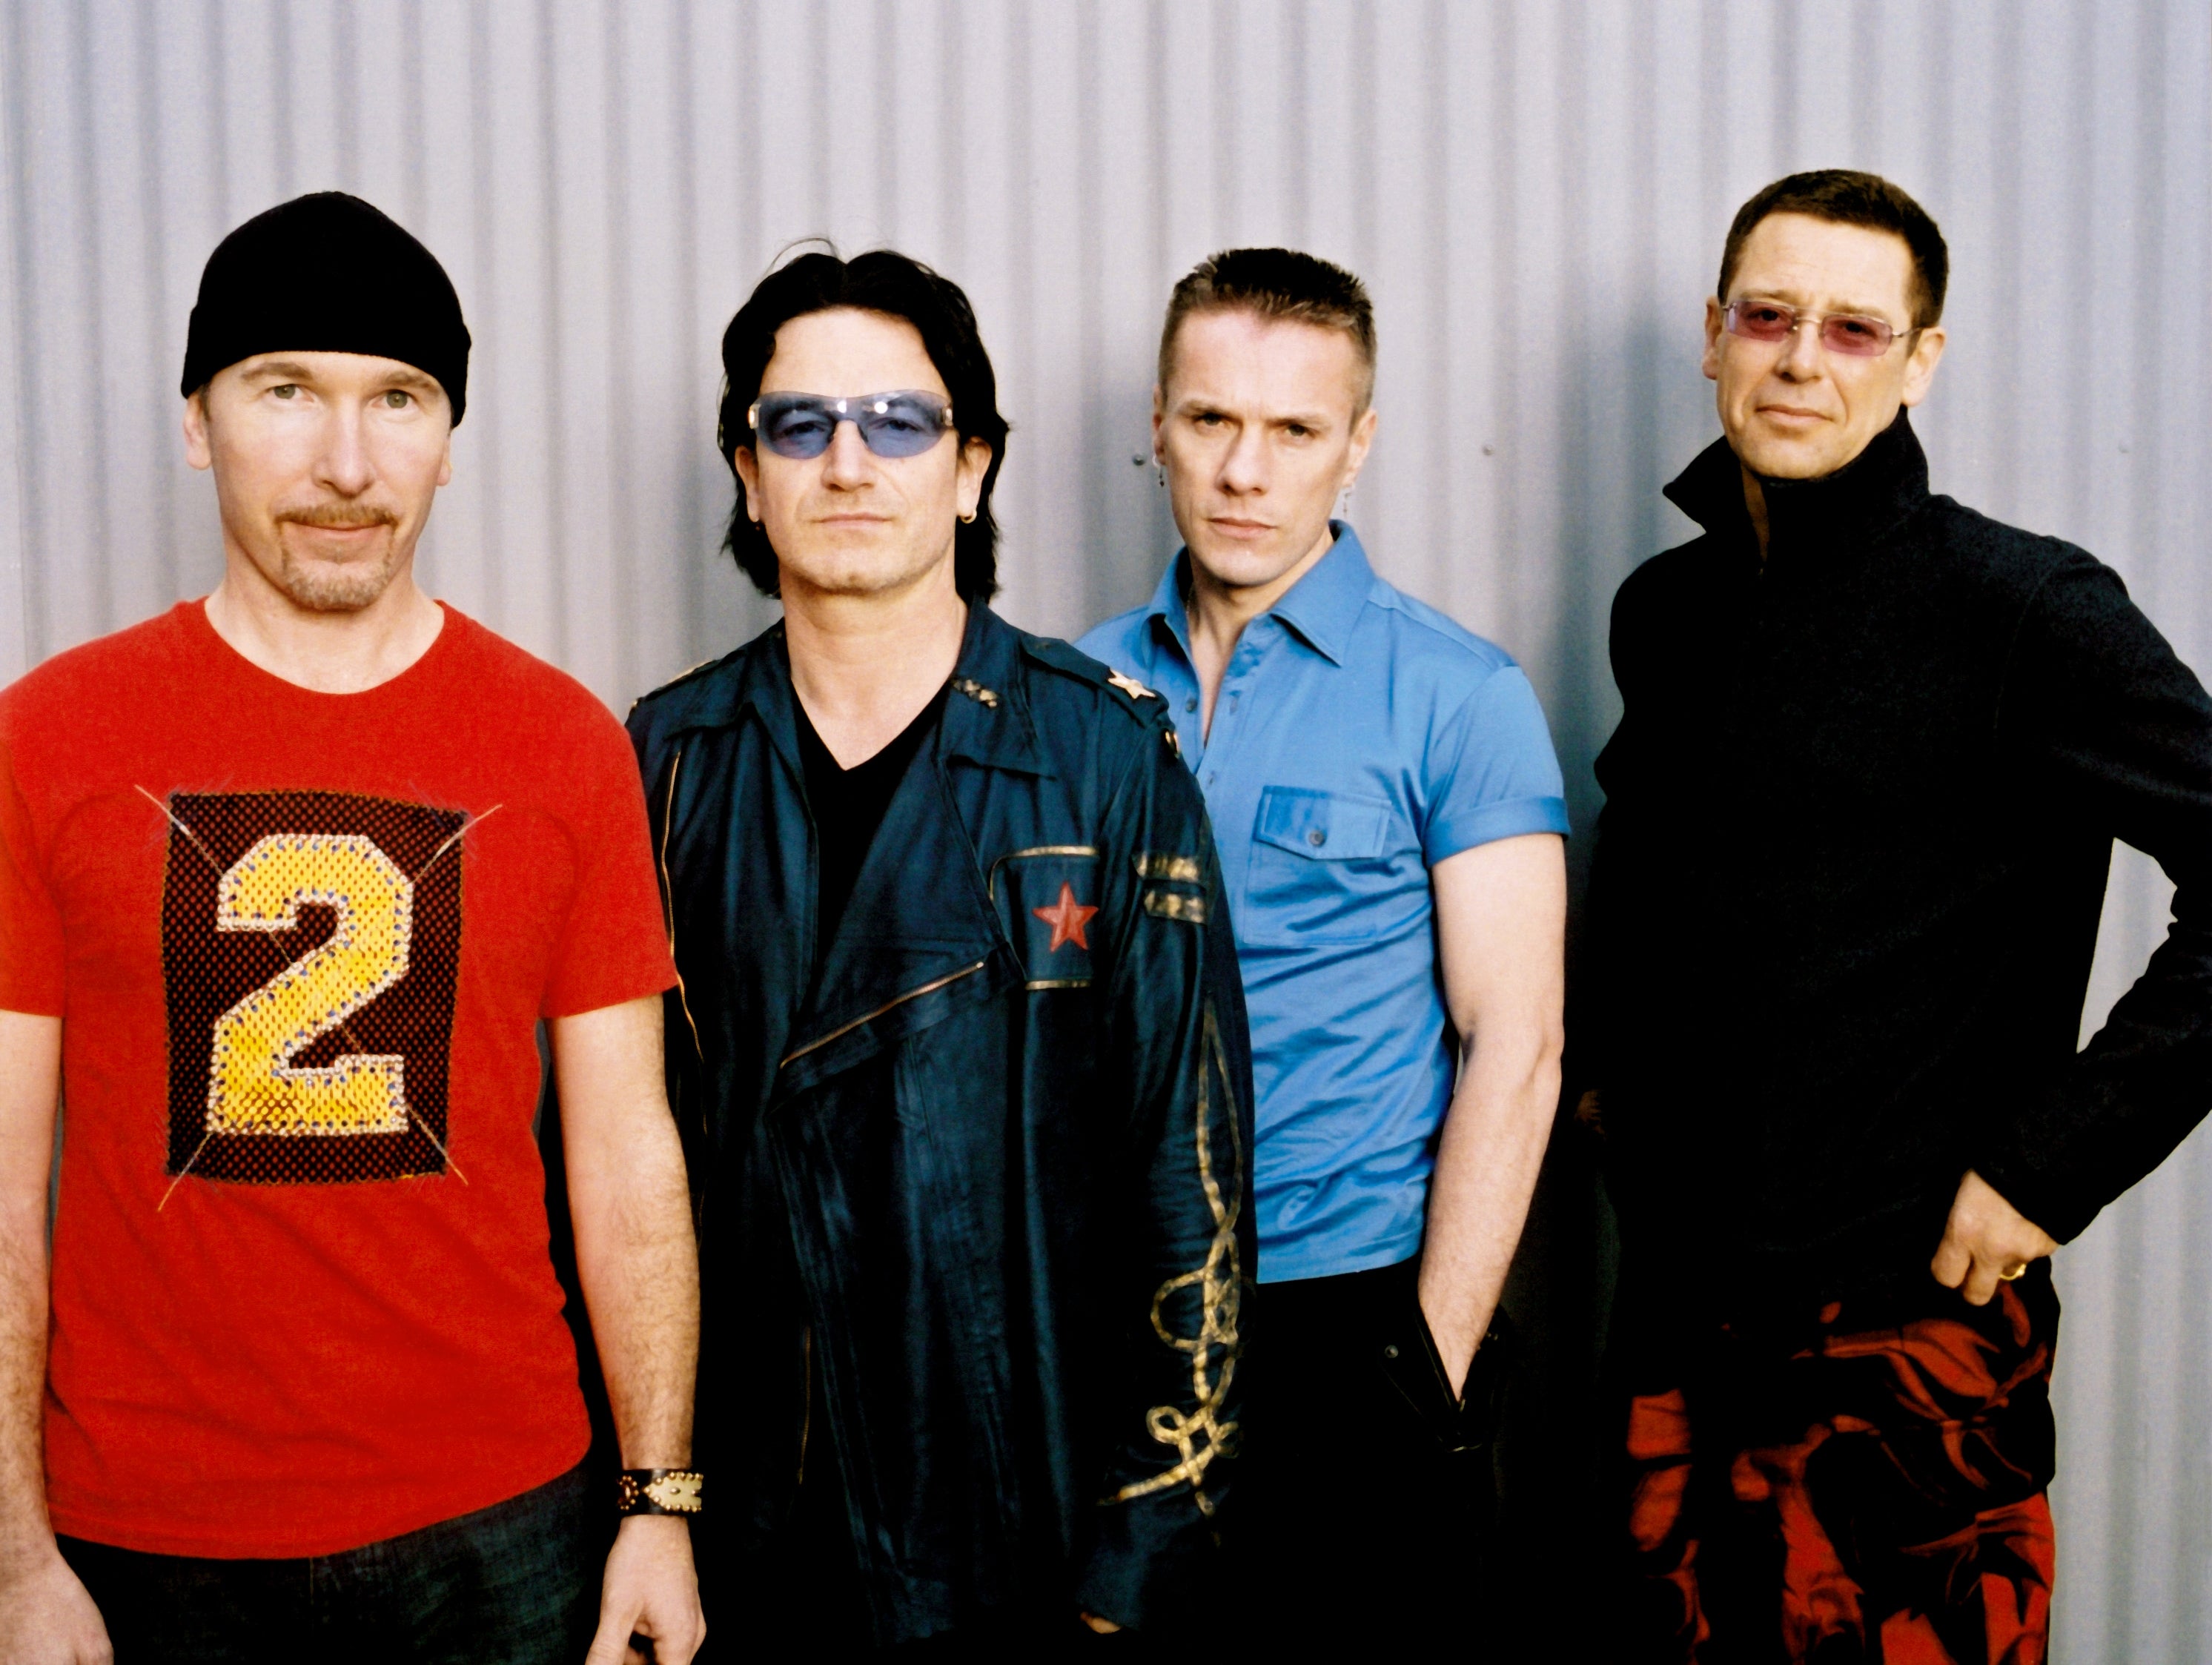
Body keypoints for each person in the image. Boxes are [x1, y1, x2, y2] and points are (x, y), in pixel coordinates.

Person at [0, 193, 703, 1665]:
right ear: (198, 422)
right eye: (285, 392)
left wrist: (659, 1503)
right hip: (143, 1531)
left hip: (506, 1519)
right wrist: (13, 1556)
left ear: (448, 436)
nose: (344, 461)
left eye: (397, 399)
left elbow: (628, 1152)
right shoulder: (48, 739)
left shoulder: (565, 744)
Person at [1583, 168, 2212, 1661]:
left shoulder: (2026, 614)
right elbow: (1647, 868)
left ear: (1922, 359)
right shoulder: (1661, 611)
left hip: (1904, 1337)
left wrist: (2048, 1165)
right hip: (1678, 1314)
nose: (1802, 358)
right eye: (1769, 316)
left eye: (1856, 329)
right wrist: (1615, 1085)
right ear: (1713, 335)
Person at [628, 248, 1254, 1652]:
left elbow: (1191, 1175)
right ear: (747, 473)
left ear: (970, 467)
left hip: (1022, 1517)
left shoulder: (1098, 751)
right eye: (801, 424)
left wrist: (1141, 1551)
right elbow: (615, 1168)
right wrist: (646, 1500)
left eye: (899, 422)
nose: (849, 461)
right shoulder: (666, 762)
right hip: (753, 1517)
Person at [1078, 248, 1569, 1647]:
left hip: (1352, 1315)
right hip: (1124, 1312)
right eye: (1211, 420)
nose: (1247, 470)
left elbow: (1518, 1046)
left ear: (1356, 448)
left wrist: (1430, 1359)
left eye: (1294, 430)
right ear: (1156, 426)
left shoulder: (1458, 696)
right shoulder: (1075, 686)